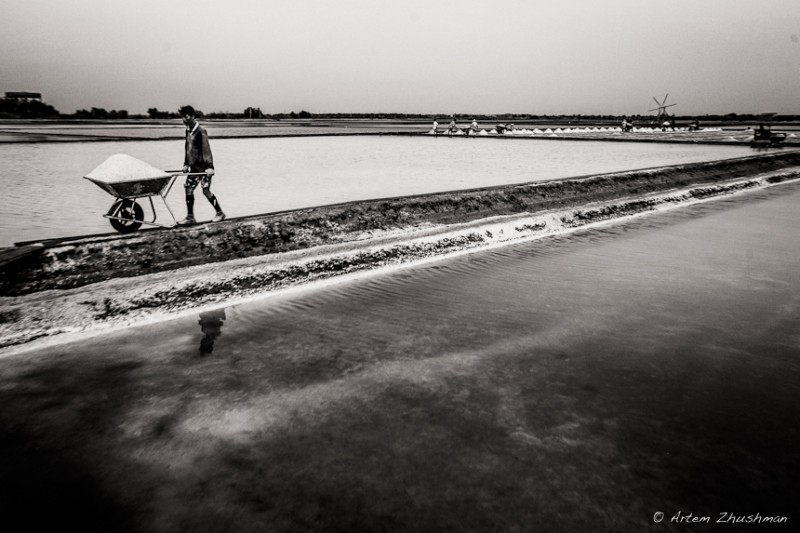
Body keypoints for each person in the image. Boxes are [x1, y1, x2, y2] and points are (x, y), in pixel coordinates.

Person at [178, 105, 225, 225]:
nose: (184, 119)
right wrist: (186, 164)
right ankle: (190, 217)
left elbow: (206, 150)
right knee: (188, 189)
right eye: (182, 117)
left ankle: (219, 213)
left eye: (186, 116)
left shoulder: (201, 131)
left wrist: (210, 167)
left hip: (204, 168)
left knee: (206, 190)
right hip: (194, 167)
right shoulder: (188, 130)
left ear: (193, 116)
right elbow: (187, 148)